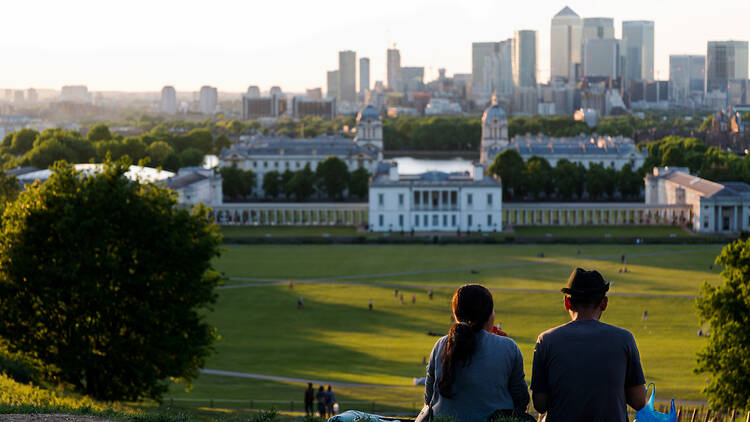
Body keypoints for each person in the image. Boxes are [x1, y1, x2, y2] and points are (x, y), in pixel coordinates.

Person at [530, 268, 647, 422]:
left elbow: (539, 404)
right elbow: (638, 401)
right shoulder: (624, 339)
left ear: (567, 302)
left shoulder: (546, 340)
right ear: (604, 303)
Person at [422, 284, 530, 422]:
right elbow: (521, 399)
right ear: (490, 314)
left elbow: (428, 399)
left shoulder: (440, 345)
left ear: (456, 315)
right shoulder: (508, 346)